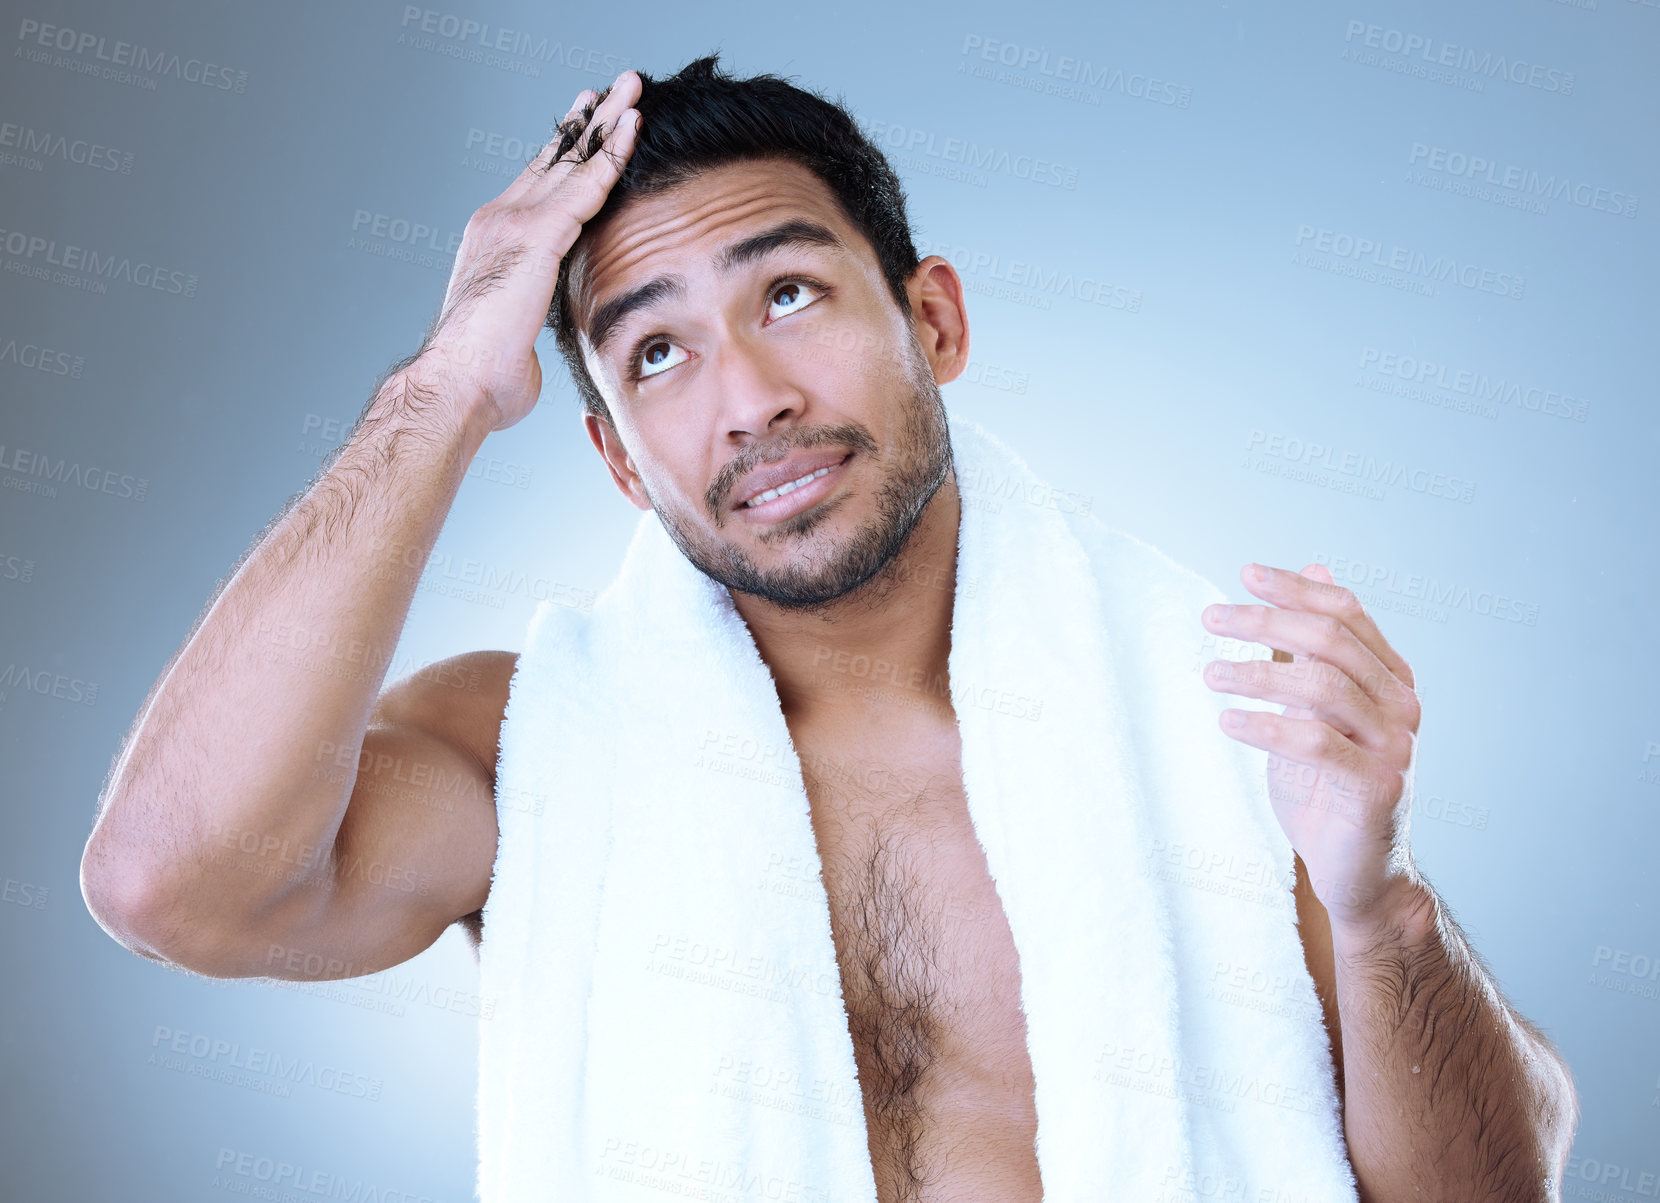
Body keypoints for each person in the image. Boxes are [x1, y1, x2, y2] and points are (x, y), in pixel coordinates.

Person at [81, 54, 1576, 1202]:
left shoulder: (1220, 712)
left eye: (788, 291)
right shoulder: (524, 748)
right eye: (654, 352)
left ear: (934, 322)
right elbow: (170, 885)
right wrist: (446, 383)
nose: (748, 400)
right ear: (614, 460)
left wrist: (1380, 906)